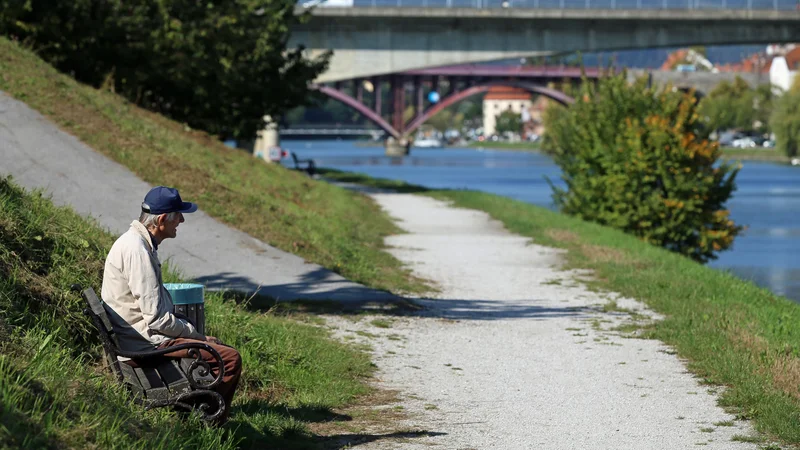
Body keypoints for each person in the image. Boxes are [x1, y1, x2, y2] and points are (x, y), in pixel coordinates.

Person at [101, 186, 242, 424]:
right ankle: (207, 421)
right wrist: (199, 337)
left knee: (218, 350)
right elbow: (157, 319)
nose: (182, 220)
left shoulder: (137, 243)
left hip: (137, 339)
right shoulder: (137, 251)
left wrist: (195, 335)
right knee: (229, 358)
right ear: (163, 219)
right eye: (178, 215)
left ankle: (199, 413)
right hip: (144, 346)